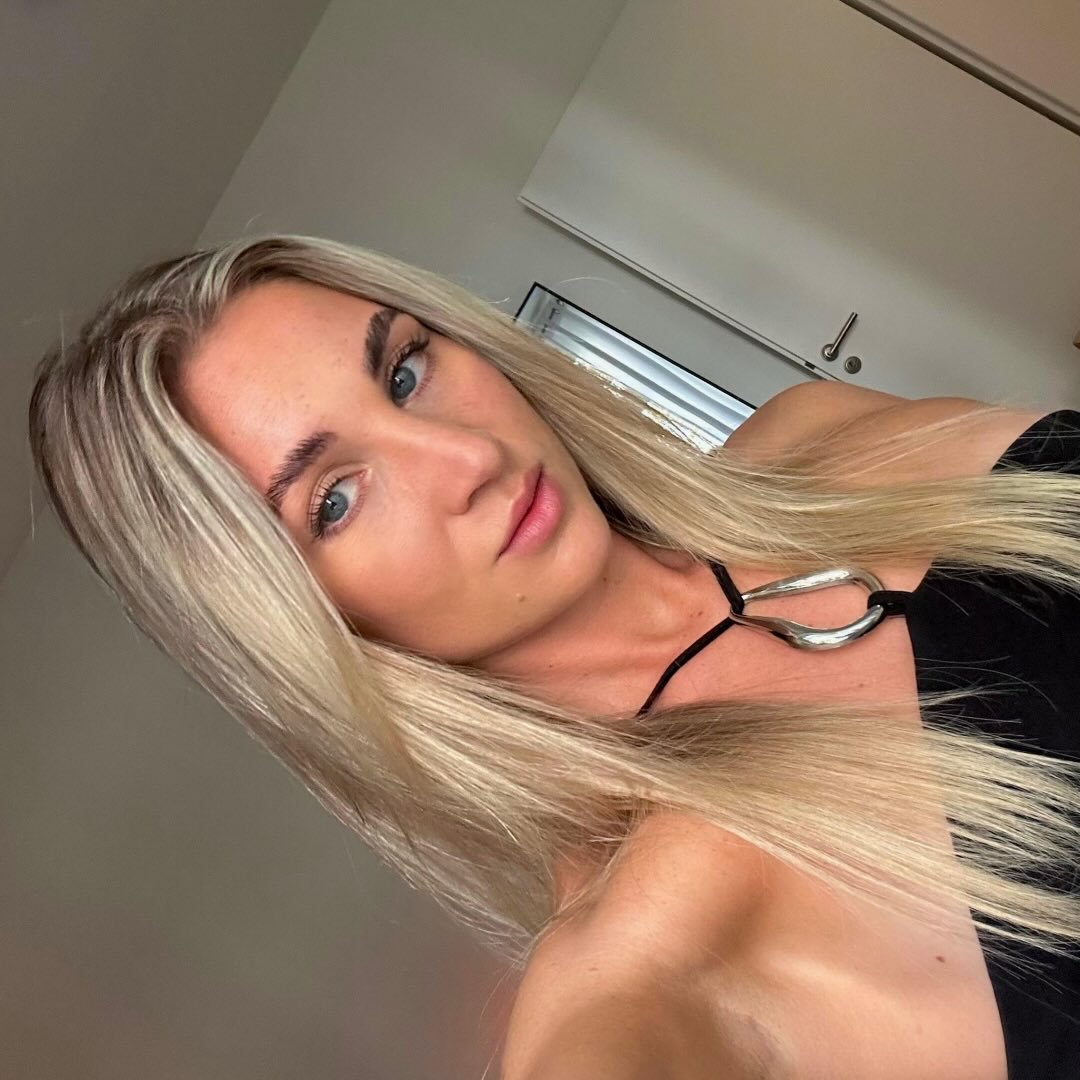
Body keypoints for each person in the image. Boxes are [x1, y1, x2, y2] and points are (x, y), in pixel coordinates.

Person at [27, 234, 1080, 1079]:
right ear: (298, 628)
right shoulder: (647, 957)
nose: (468, 457)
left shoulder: (813, 434)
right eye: (334, 500)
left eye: (404, 371)